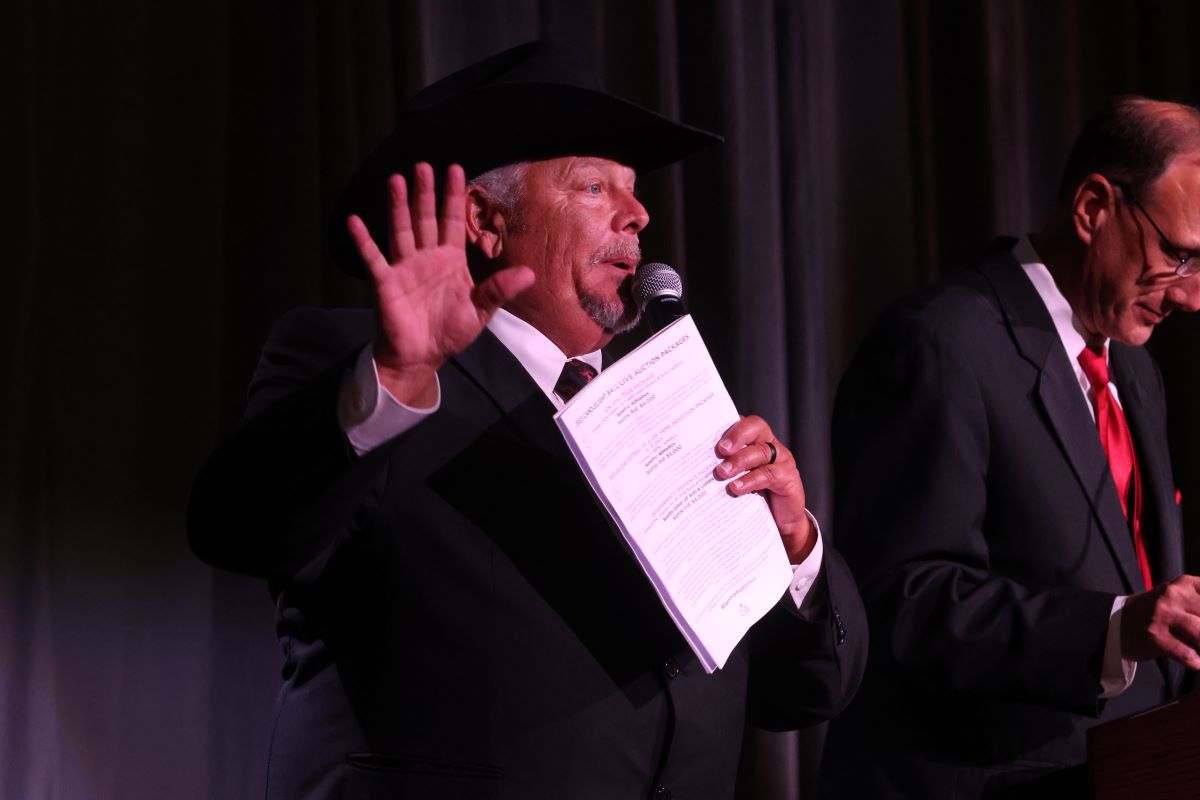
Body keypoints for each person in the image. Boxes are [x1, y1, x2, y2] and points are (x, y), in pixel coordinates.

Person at [188, 40, 866, 799]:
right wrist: (395, 376)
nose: (638, 214)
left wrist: (792, 546)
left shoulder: (672, 413)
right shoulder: (361, 366)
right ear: (485, 220)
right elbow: (239, 528)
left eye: (634, 190)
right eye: (594, 187)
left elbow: (803, 692)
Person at [820, 96, 1200, 799]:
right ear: (1093, 208)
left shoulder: (1135, 369)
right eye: (1179, 255)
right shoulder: (940, 343)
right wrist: (1115, 629)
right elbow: (903, 601)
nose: (1192, 296)